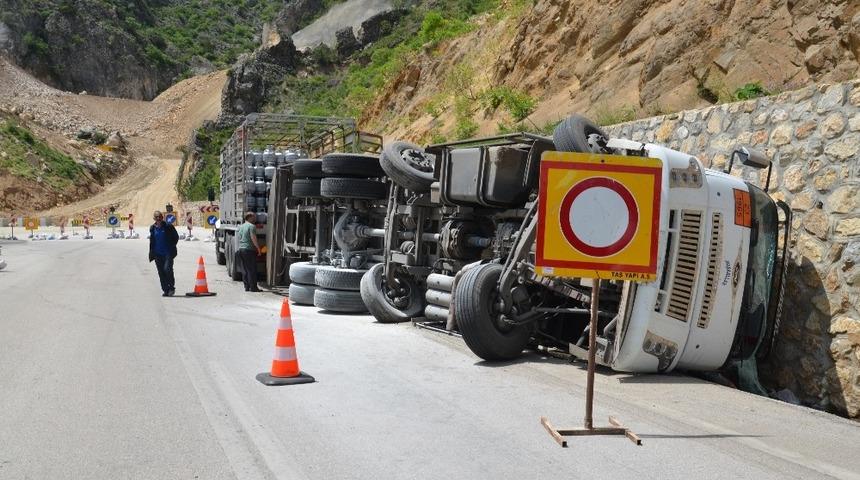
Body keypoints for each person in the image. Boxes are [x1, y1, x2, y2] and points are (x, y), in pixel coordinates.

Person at [149, 210, 179, 296]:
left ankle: (171, 287)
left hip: (168, 253)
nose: (158, 219)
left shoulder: (168, 227)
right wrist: (152, 253)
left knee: (167, 269)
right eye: (156, 217)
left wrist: (172, 246)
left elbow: (176, 237)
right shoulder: (152, 228)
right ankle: (166, 290)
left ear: (162, 218)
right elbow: (152, 241)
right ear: (154, 218)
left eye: (160, 217)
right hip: (157, 254)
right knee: (161, 272)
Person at [236, 211, 262, 292]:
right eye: (254, 217)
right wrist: (258, 249)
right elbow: (253, 238)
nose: (255, 218)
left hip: (241, 249)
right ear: (249, 217)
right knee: (252, 269)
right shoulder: (251, 226)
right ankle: (253, 288)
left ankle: (246, 287)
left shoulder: (241, 226)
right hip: (249, 250)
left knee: (245, 269)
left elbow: (239, 237)